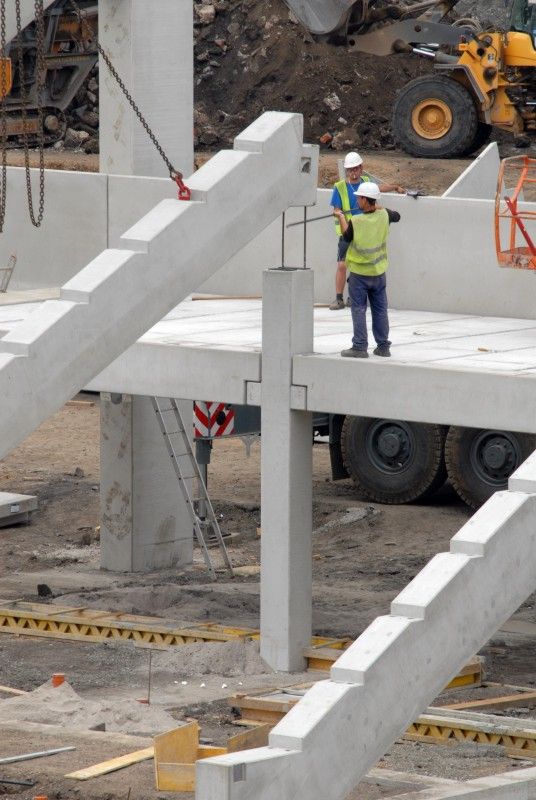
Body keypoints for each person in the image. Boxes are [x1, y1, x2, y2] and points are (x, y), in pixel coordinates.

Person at [330, 152, 405, 310]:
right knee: (342, 265)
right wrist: (339, 213)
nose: (353, 172)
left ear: (361, 168)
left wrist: (395, 187)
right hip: (347, 231)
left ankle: (352, 296)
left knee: (357, 265)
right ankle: (338, 298)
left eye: (356, 169)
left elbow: (379, 189)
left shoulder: (366, 182)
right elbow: (336, 209)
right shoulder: (340, 187)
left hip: (364, 231)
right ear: (347, 171)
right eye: (350, 170)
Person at [334, 182, 400, 358]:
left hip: (360, 275)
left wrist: (340, 217)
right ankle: (383, 346)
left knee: (359, 309)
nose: (357, 201)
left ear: (365, 199)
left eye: (359, 198)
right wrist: (379, 206)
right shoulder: (385, 215)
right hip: (378, 273)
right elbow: (398, 216)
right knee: (380, 309)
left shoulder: (356, 221)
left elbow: (345, 239)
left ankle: (360, 347)